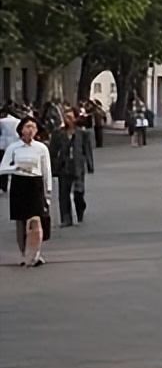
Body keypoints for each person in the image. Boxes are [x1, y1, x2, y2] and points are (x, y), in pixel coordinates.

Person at [0, 116, 53, 267]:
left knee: (36, 221)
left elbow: (46, 170)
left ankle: (35, 254)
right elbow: (2, 167)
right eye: (27, 127)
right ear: (21, 130)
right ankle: (24, 253)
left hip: (35, 183)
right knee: (21, 222)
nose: (30, 130)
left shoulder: (41, 148)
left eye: (33, 127)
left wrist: (47, 192)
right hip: (19, 183)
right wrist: (16, 168)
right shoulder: (13, 148)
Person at [50, 108, 93, 227]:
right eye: (65, 117)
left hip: (78, 166)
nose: (67, 119)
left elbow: (87, 150)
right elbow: (52, 151)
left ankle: (80, 209)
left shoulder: (82, 133)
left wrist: (90, 165)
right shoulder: (58, 133)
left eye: (69, 117)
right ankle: (66, 218)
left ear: (75, 118)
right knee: (64, 194)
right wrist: (52, 167)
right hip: (64, 166)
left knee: (78, 192)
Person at [0, 104, 19, 195]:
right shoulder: (17, 121)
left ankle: (3, 186)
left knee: (3, 165)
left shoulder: (2, 122)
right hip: (15, 144)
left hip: (3, 145)